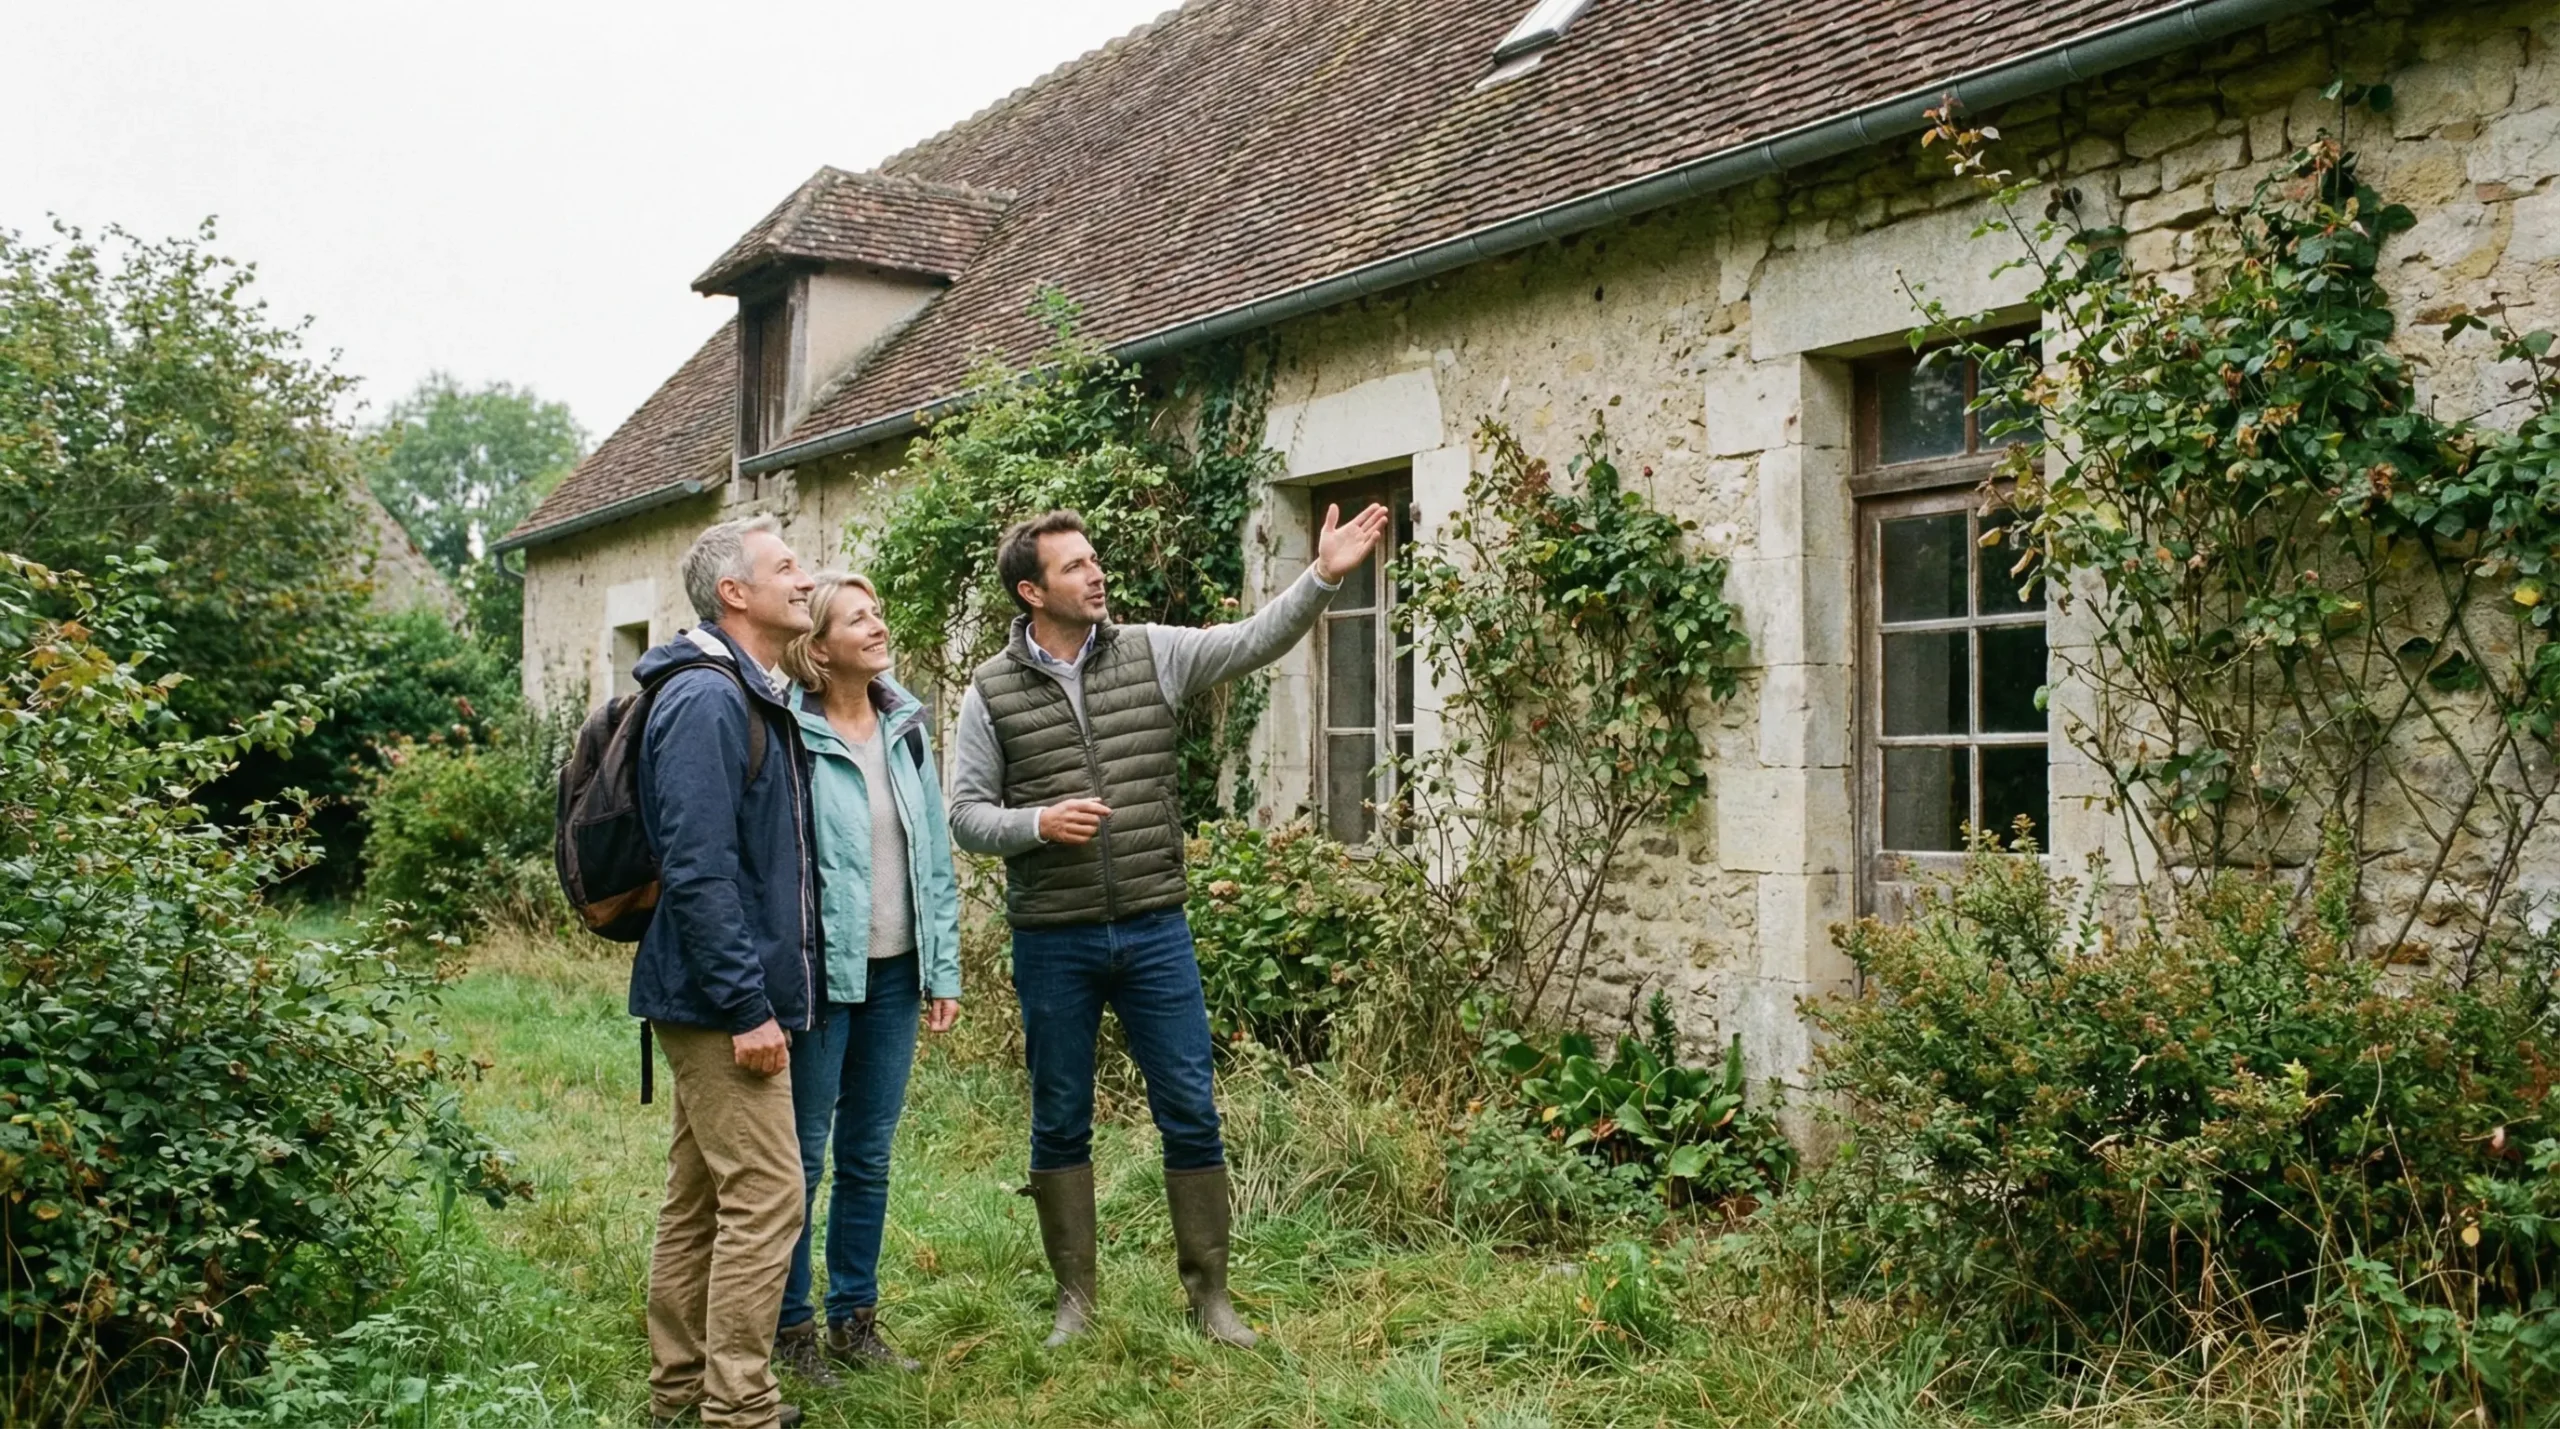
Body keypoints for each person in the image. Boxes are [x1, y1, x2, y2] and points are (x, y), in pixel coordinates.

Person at [949, 502, 1391, 1349]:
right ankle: (1075, 1300)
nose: (1096, 572)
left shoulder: (1152, 651)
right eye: (1075, 565)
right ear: (1030, 590)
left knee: (1190, 1108)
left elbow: (1252, 640)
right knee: (1059, 1117)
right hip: (1053, 938)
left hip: (1155, 929)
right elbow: (965, 815)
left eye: (1094, 558)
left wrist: (1324, 574)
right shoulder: (991, 692)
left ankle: (1211, 1296)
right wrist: (1038, 823)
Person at [629, 515, 819, 1429]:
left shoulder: (744, 689)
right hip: (716, 997)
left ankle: (680, 1390)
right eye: (788, 566)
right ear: (734, 592)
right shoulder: (708, 700)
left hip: (712, 988)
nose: (807, 577)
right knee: (770, 1194)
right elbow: (699, 867)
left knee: (702, 1194)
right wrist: (750, 1005)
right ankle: (737, 1406)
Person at [768, 573, 963, 1385]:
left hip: (895, 973)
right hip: (821, 975)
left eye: (877, 611)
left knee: (870, 1154)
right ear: (818, 648)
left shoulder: (906, 727)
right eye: (858, 617)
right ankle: (790, 1328)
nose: (878, 624)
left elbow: (934, 857)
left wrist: (942, 965)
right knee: (803, 1159)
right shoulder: (786, 733)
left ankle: (855, 1318)